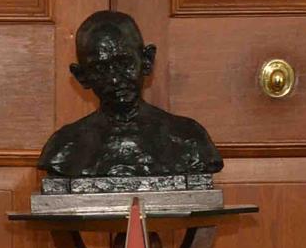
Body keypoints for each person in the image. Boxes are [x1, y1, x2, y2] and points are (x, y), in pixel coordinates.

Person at [37, 10, 222, 179]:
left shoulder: (189, 139)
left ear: (147, 61)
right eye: (100, 68)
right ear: (82, 76)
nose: (114, 79)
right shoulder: (64, 147)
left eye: (124, 63)